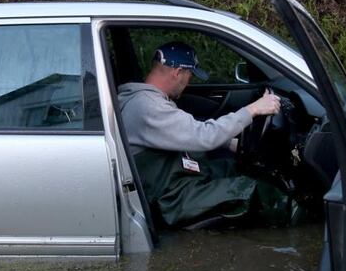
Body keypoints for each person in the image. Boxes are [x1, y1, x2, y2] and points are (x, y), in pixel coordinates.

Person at [117, 41, 292, 229]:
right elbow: (204, 135)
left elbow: (184, 132)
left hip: (175, 180)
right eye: (190, 75)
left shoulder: (147, 100)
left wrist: (228, 143)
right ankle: (294, 226)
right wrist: (253, 109)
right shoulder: (148, 107)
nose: (189, 81)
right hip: (169, 199)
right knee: (254, 190)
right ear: (178, 72)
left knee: (234, 166)